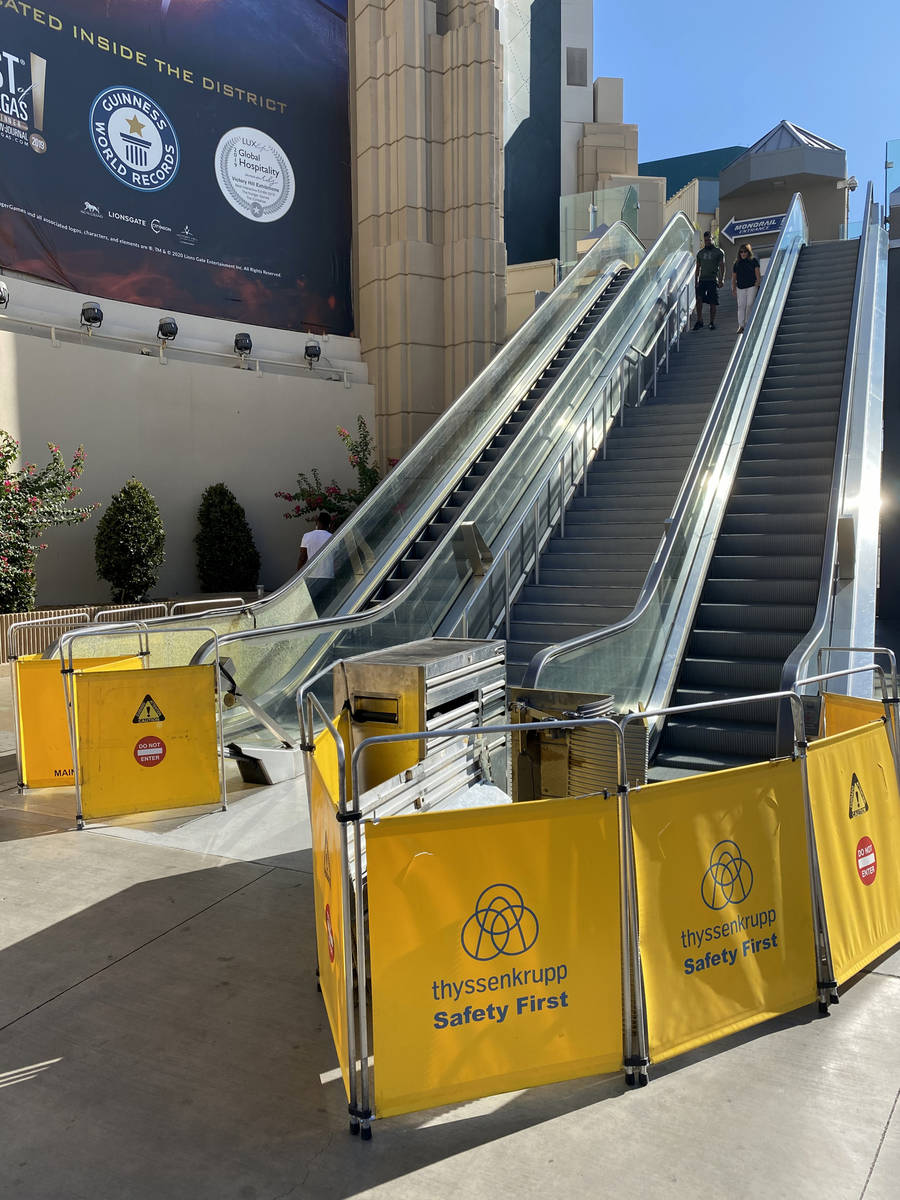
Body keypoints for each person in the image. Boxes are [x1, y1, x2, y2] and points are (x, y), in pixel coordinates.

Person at [694, 230, 725, 330]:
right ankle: (700, 320)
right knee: (699, 299)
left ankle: (711, 322)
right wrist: (696, 281)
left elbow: (722, 266)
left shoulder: (719, 252)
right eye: (706, 240)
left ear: (713, 239)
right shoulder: (700, 253)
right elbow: (698, 267)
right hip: (702, 280)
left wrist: (721, 279)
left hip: (712, 280)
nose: (707, 242)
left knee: (713, 301)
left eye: (709, 240)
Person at [732, 242, 762, 333]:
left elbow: (757, 273)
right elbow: (734, 277)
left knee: (749, 304)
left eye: (745, 251)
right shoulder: (736, 263)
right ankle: (741, 325)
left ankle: (748, 323)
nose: (743, 253)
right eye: (741, 252)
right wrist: (733, 288)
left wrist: (758, 282)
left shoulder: (753, 261)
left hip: (752, 286)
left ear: (748, 252)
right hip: (740, 287)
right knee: (741, 306)